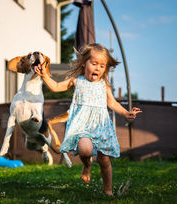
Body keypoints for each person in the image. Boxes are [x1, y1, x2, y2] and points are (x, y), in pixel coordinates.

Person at [35, 43, 142, 195]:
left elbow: (111, 102)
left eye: (102, 66)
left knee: (104, 159)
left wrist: (126, 113)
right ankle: (87, 165)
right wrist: (45, 75)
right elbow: (57, 87)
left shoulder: (104, 85)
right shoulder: (76, 81)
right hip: (82, 125)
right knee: (85, 150)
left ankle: (108, 190)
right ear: (84, 63)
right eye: (94, 64)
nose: (98, 68)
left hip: (101, 125)